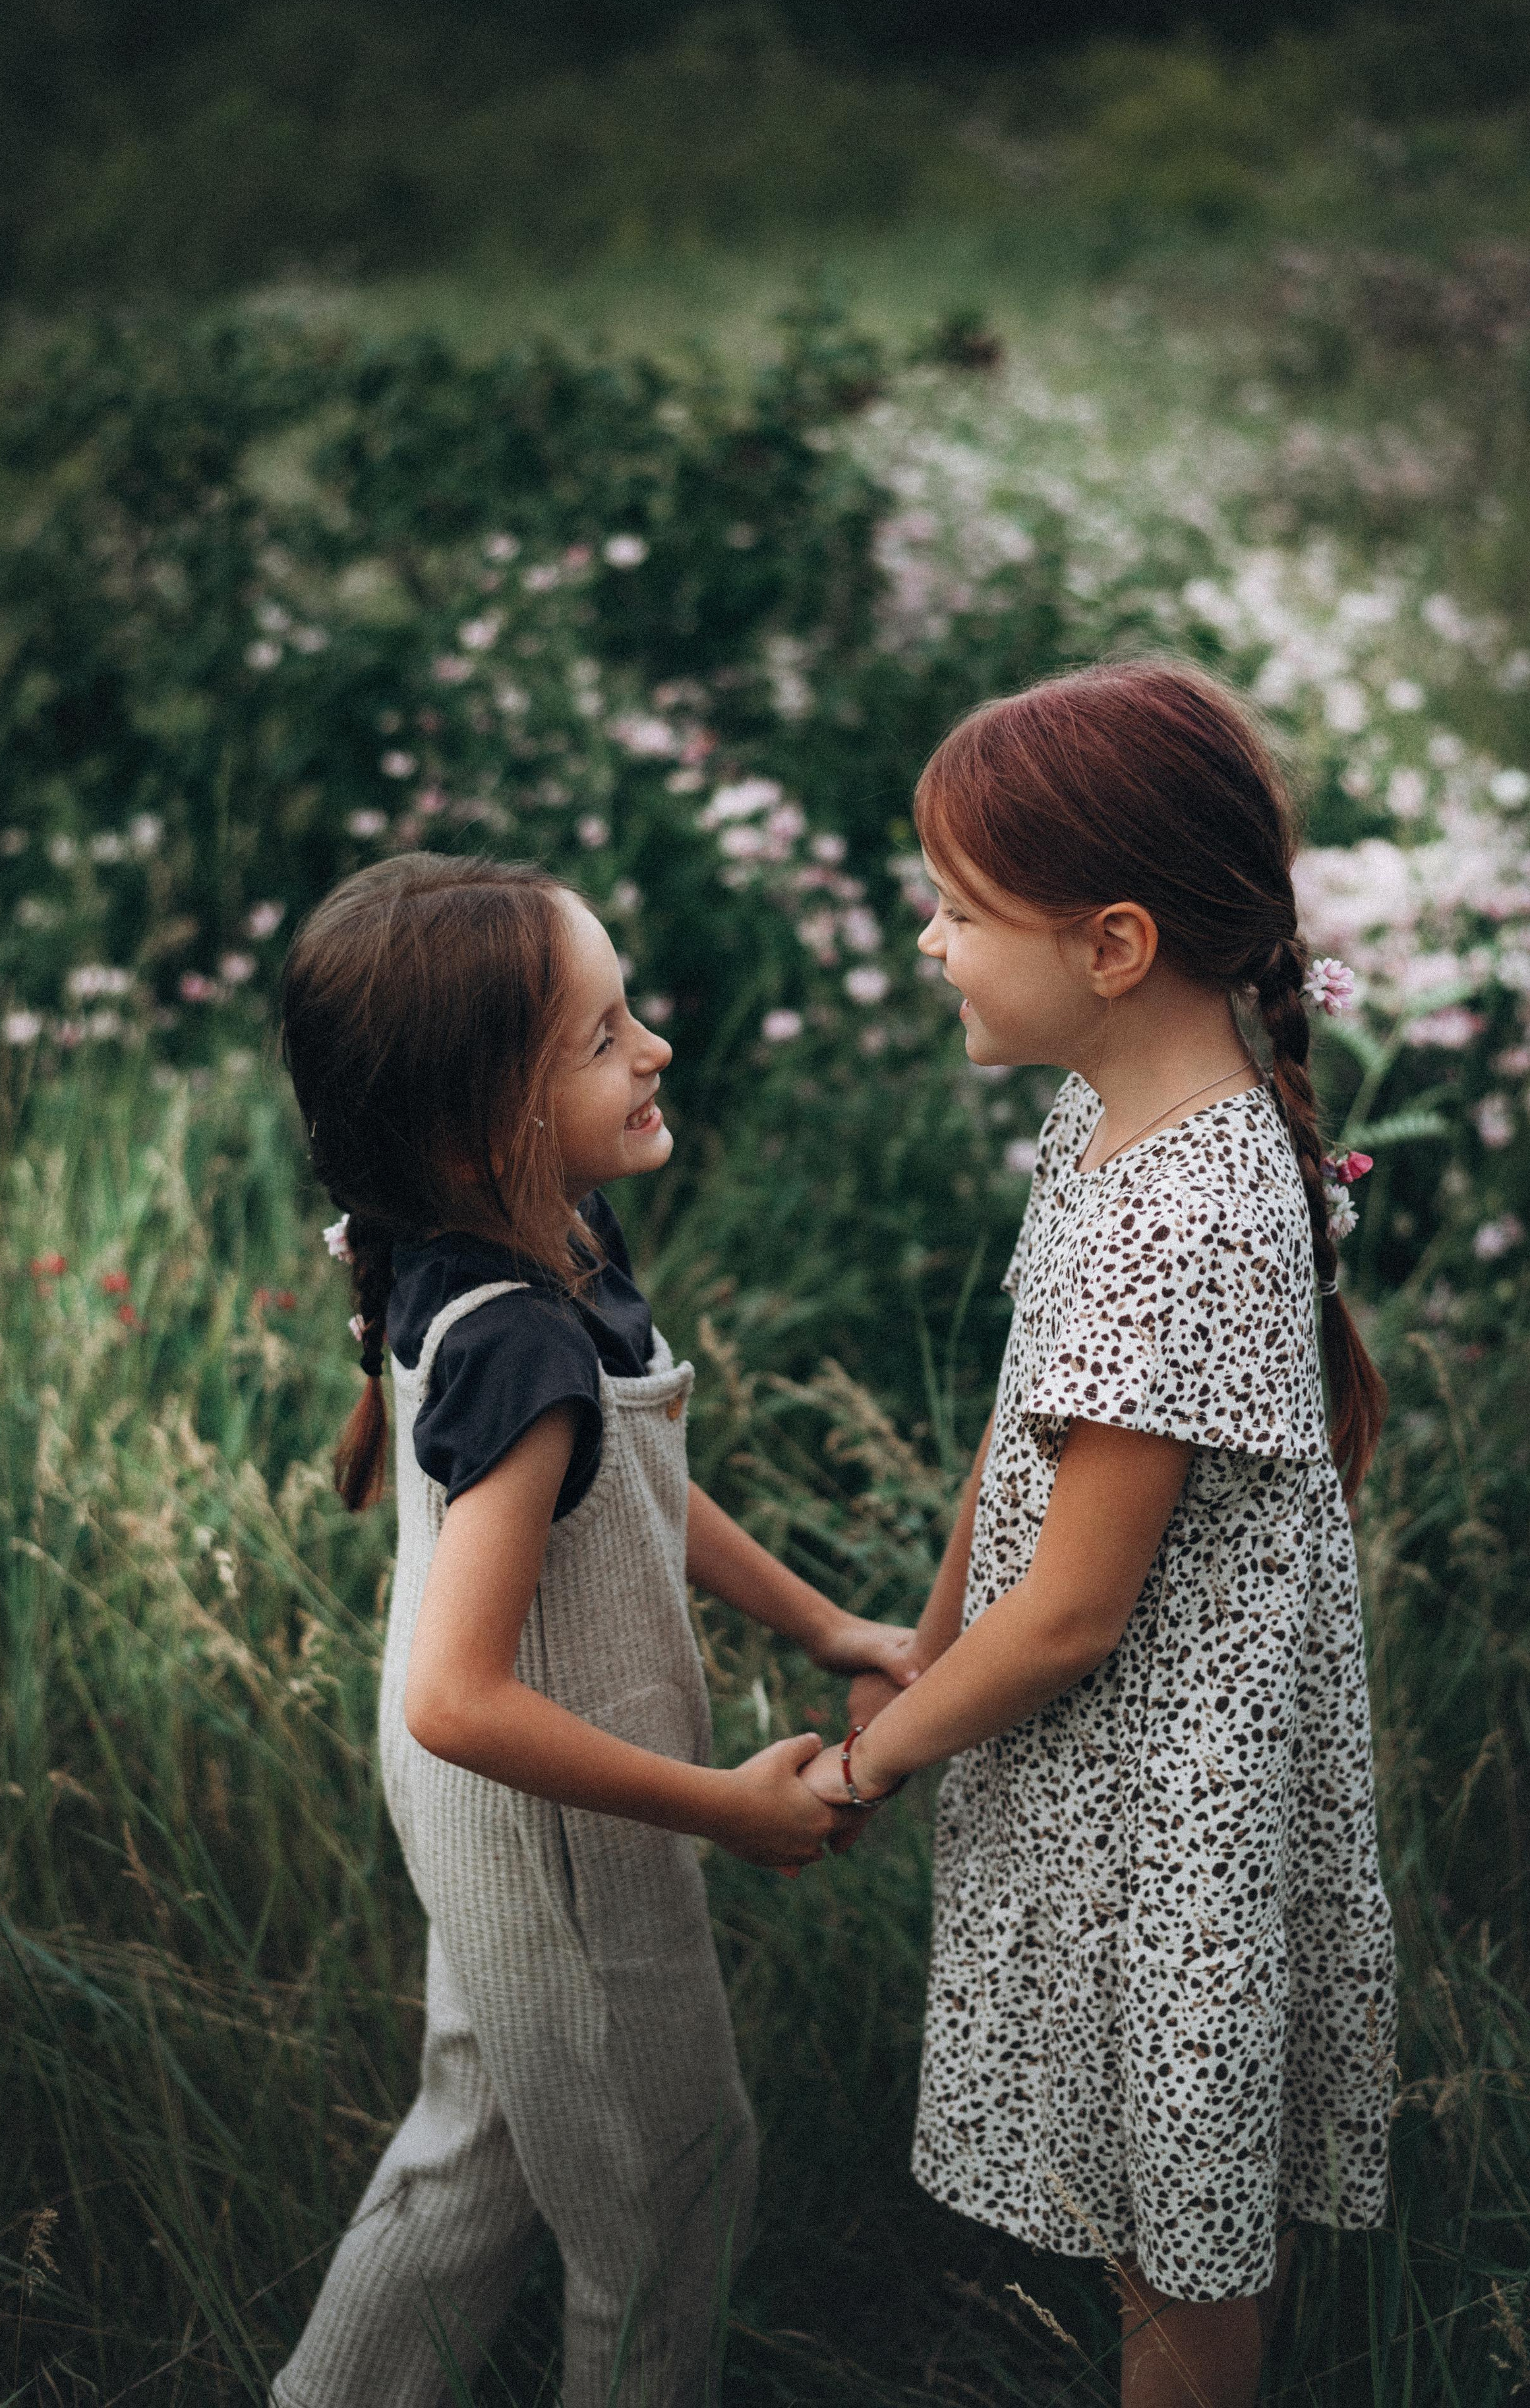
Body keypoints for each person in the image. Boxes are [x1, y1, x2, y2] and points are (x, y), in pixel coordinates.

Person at [808, 660, 1397, 2408]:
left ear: (1113, 946)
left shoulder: (1186, 1212)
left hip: (1171, 1820)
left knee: (1182, 2246)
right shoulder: (1106, 1121)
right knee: (1147, 2195)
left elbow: (1071, 1613)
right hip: (1105, 1782)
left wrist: (869, 1764)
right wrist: (924, 1646)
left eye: (959, 909)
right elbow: (1023, 1426)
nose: (930, 942)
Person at [272, 851, 915, 2408]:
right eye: (602, 1035)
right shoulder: (521, 1344)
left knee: (484, 2143)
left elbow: (633, 1486)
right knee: (669, 2192)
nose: (655, 1050)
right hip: (555, 1835)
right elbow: (457, 1695)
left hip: (497, 1817)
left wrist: (828, 1623)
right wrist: (723, 1810)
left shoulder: (538, 1241)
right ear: (472, 1126)